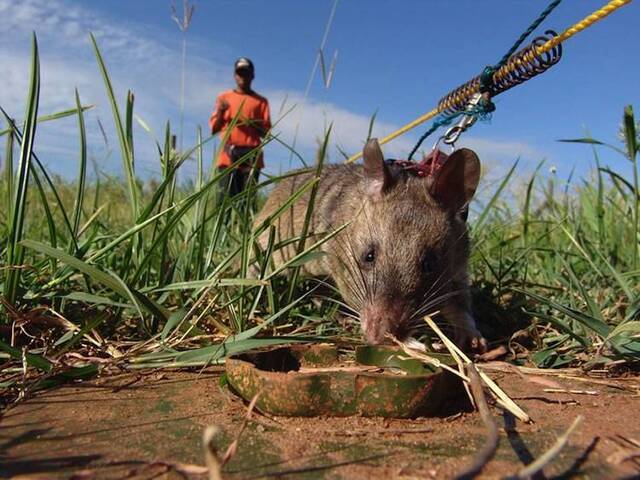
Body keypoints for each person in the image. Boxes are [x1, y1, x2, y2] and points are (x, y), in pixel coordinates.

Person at [209, 57, 271, 201]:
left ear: (252, 75)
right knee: (224, 200)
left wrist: (252, 123)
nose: (243, 76)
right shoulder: (224, 98)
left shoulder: (261, 102)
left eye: (246, 73)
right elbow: (214, 129)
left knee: (247, 201)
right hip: (228, 154)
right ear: (235, 75)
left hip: (251, 156)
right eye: (240, 73)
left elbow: (266, 133)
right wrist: (220, 113)